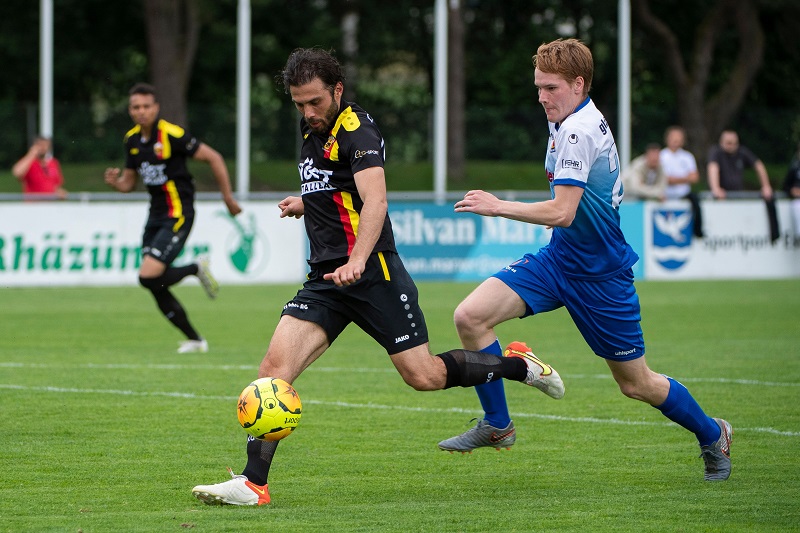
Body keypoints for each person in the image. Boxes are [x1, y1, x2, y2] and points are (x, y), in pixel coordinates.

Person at [191, 47, 564, 506]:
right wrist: (305, 203)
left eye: (315, 102)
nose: (308, 112)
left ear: (338, 90)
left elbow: (376, 200)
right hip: (326, 280)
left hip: (374, 274)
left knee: (424, 376)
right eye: (299, 104)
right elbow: (337, 188)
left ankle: (520, 366)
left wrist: (357, 260)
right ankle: (254, 484)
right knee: (273, 371)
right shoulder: (313, 128)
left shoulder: (358, 130)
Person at [441, 38, 731, 482]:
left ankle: (713, 434)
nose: (542, 97)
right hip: (559, 260)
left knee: (636, 384)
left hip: (601, 277)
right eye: (538, 87)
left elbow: (563, 212)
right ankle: (498, 424)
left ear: (578, 84)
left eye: (551, 88)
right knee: (471, 317)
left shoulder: (577, 130)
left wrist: (498, 206)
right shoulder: (567, 120)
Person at [104, 83, 242, 353]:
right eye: (136, 107)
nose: (141, 111)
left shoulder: (172, 134)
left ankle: (194, 268)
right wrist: (115, 183)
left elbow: (214, 158)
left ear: (156, 108)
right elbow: (129, 183)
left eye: (146, 106)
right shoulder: (132, 140)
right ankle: (195, 339)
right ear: (130, 110)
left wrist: (227, 197)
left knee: (147, 276)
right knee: (153, 283)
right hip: (154, 216)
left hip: (178, 213)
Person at [707, 129, 780, 242]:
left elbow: (759, 166)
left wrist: (766, 186)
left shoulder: (742, 152)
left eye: (734, 143)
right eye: (728, 143)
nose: (731, 146)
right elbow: (713, 168)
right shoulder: (716, 152)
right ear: (721, 142)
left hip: (737, 198)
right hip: (720, 199)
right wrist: (716, 188)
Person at [659, 126, 704, 237]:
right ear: (667, 139)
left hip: (684, 194)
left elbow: (695, 178)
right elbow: (666, 179)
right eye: (673, 138)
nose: (676, 141)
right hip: (665, 194)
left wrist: (674, 179)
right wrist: (685, 178)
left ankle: (698, 231)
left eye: (678, 138)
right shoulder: (661, 156)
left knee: (696, 203)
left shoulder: (687, 157)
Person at [783, 141, 800, 234]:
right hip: (797, 201)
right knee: (797, 206)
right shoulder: (794, 168)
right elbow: (785, 186)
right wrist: (791, 191)